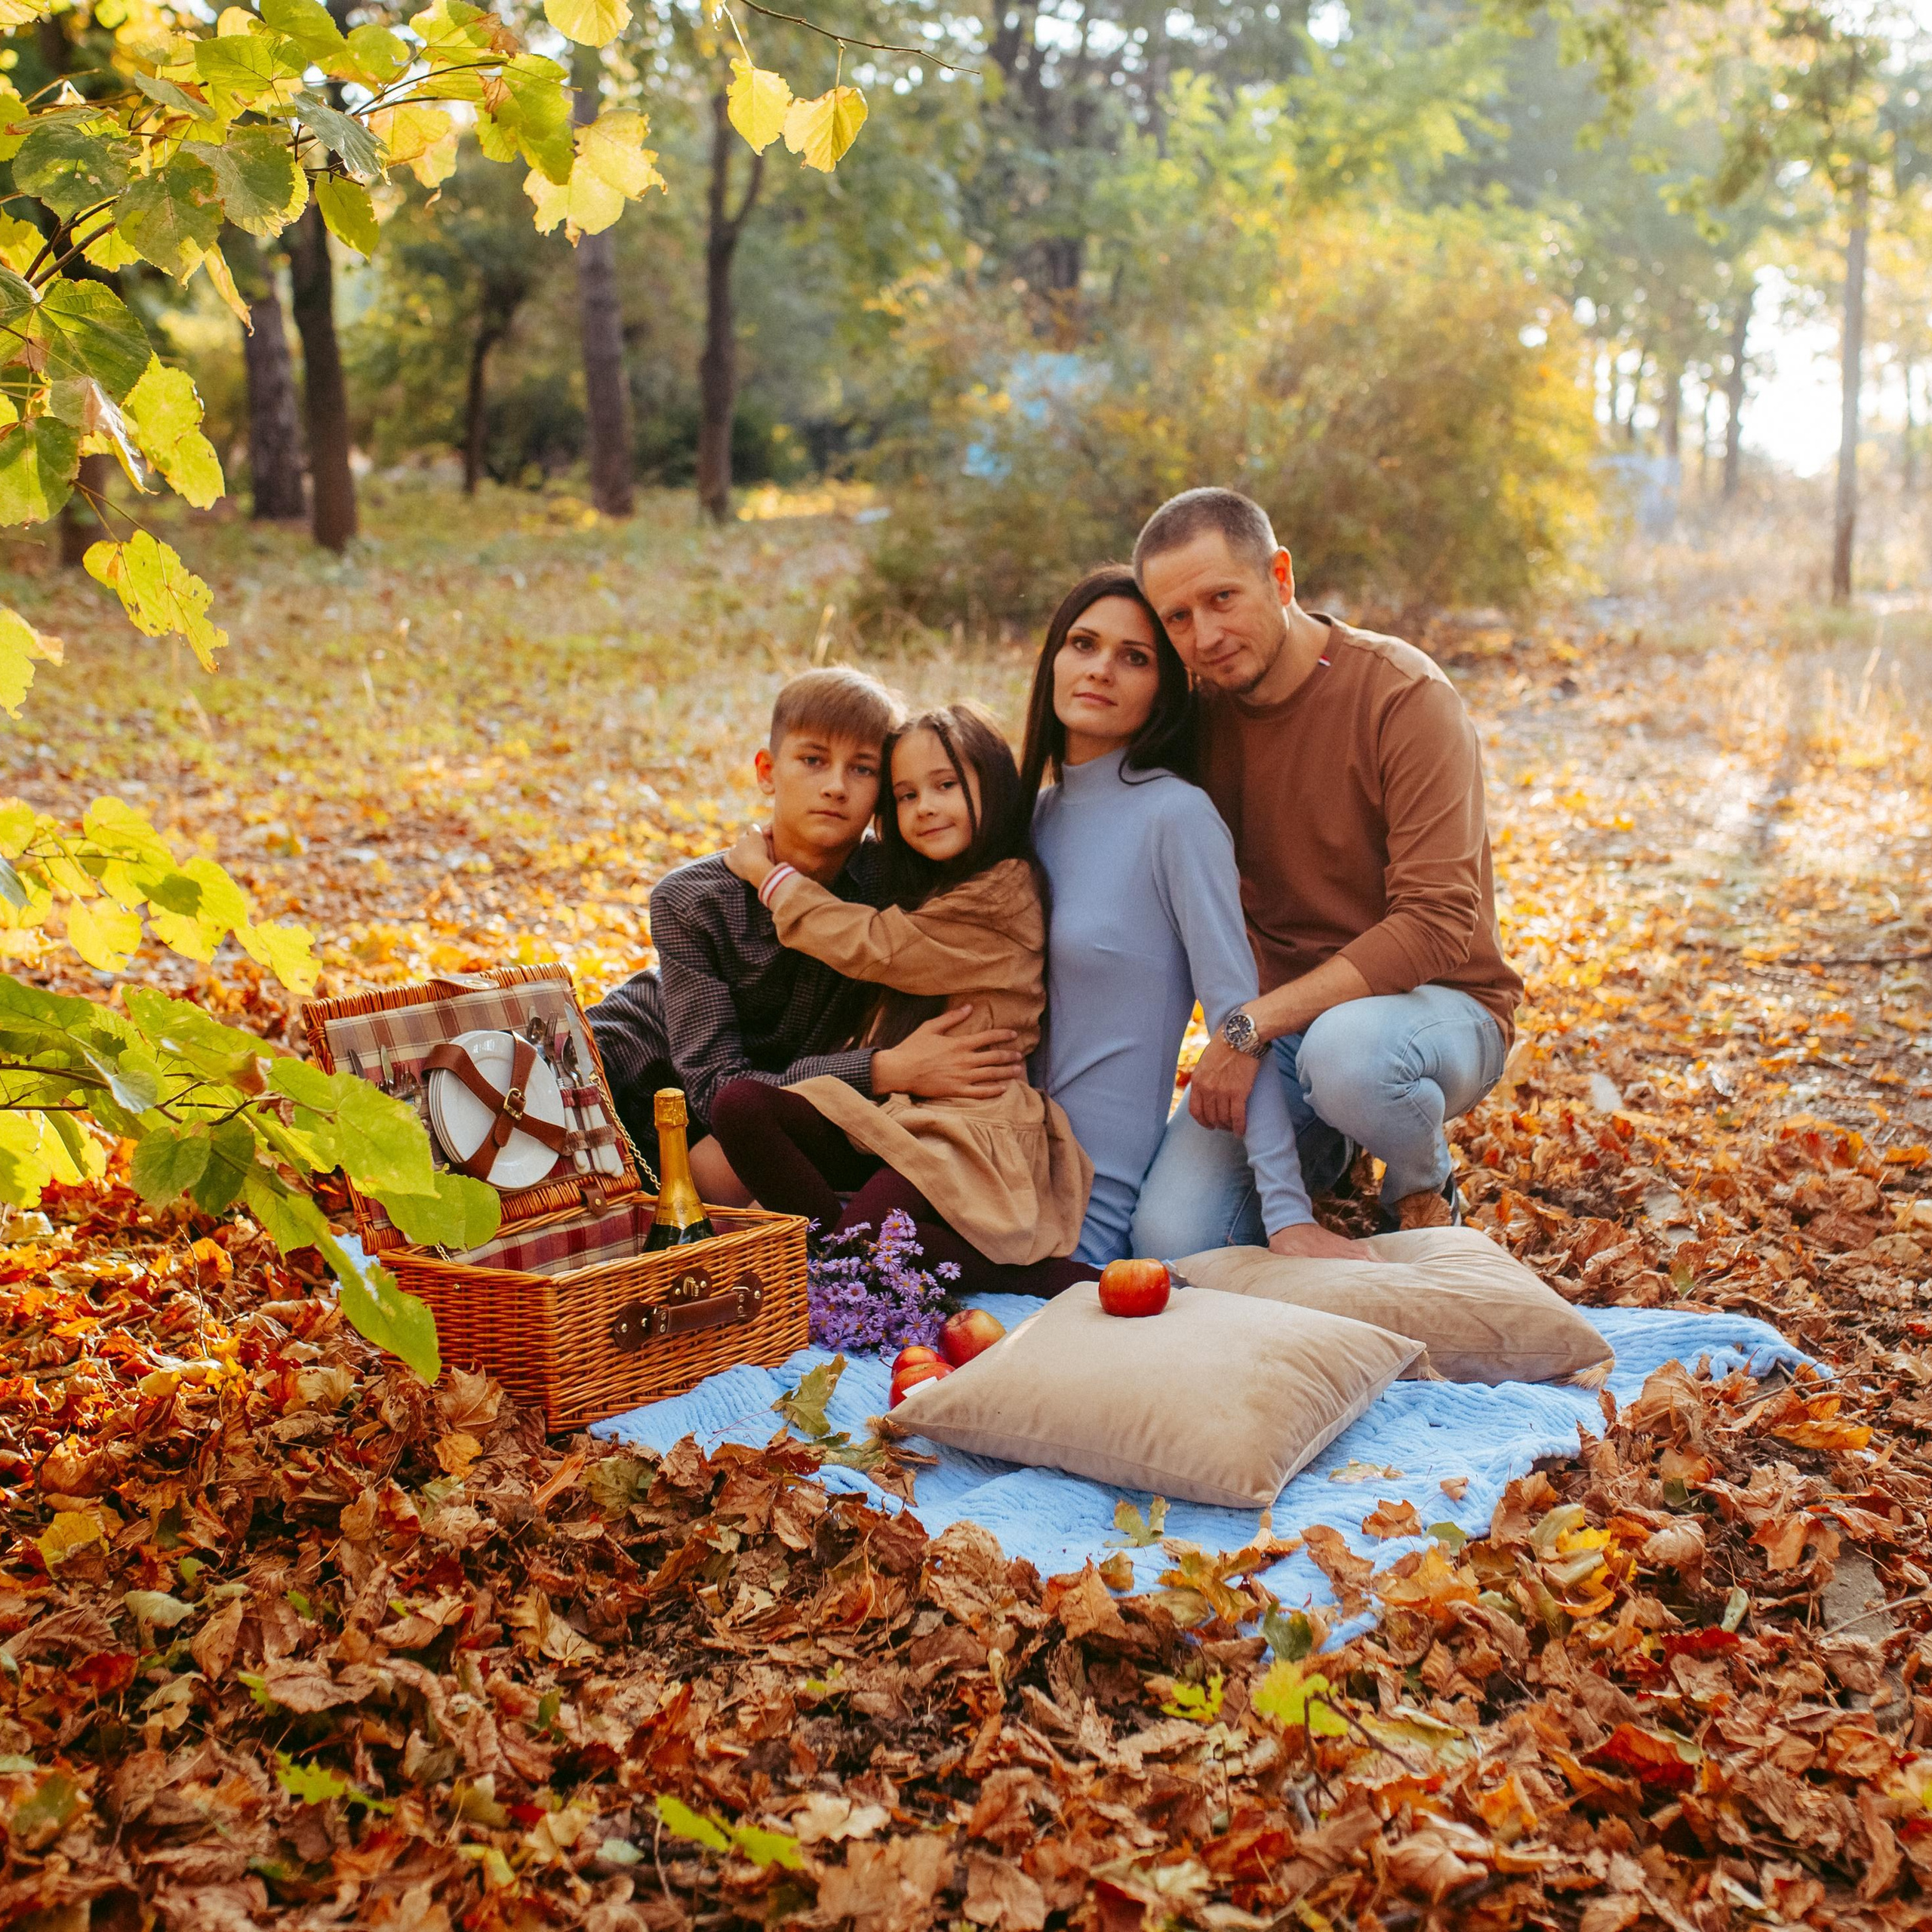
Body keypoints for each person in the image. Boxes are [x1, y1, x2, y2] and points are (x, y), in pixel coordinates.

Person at [1128, 488, 1523, 1249]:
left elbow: (1437, 924)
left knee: (1351, 1056)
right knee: (1171, 1240)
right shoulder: (1194, 721)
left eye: (1222, 598)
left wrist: (1246, 1029)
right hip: (1285, 1032)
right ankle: (1336, 1140)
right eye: (1178, 618)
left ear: (1279, 578)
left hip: (1437, 1010)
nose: (1204, 636)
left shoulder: (1401, 696)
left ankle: (1419, 1191)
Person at [1020, 567, 1363, 1266]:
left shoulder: (1175, 818)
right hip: (992, 1165)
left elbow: (1239, 1022)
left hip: (1089, 1205)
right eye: (1083, 645)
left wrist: (1287, 1209)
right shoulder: (1025, 821)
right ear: (1052, 658)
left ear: (1164, 691)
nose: (1101, 670)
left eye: (1135, 657)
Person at [586, 669, 1027, 1198]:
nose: (836, 787)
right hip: (627, 1074)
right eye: (813, 760)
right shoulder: (691, 898)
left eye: (862, 769)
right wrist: (887, 1069)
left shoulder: (894, 882)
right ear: (768, 771)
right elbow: (715, 1088)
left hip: (753, 1122)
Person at [708, 703, 1096, 1297]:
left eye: (945, 786)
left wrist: (770, 877)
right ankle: (845, 1261)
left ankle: (1054, 1280)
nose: (926, 808)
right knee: (740, 1105)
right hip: (899, 1110)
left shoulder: (1005, 891)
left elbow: (877, 946)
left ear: (990, 784)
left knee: (870, 1242)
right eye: (907, 796)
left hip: (968, 1125)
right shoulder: (927, 882)